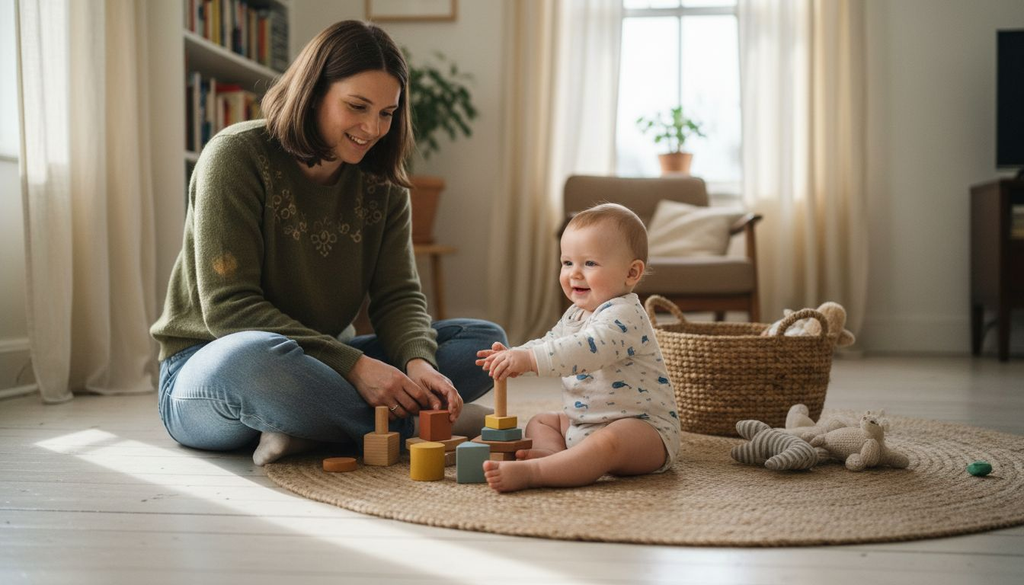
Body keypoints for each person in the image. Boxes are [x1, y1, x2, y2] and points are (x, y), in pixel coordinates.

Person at [151, 20, 505, 466]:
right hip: (211, 369)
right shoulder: (235, 156)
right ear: (314, 92)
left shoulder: (383, 183)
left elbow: (398, 296)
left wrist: (418, 365)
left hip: (320, 364)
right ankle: (412, 426)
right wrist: (356, 368)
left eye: (386, 113)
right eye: (357, 106)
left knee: (482, 342)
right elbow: (229, 309)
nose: (372, 128)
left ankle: (308, 428)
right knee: (252, 358)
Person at [475, 203, 680, 492]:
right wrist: (515, 355)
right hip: (583, 424)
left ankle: (536, 472)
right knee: (543, 422)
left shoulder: (625, 314)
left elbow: (586, 349)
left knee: (610, 441)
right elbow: (552, 342)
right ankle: (554, 458)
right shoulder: (575, 313)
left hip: (643, 431)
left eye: (590, 263)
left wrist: (530, 359)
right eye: (567, 262)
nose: (574, 274)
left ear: (631, 273)